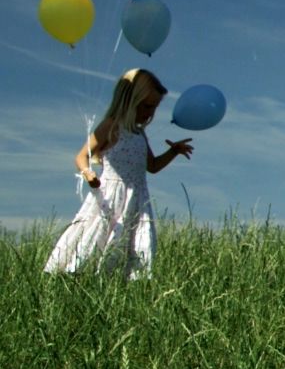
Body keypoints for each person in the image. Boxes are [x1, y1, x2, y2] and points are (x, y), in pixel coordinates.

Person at [43, 68, 194, 280]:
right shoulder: (111, 126)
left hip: (137, 199)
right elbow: (81, 156)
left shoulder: (139, 133)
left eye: (154, 108)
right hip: (110, 196)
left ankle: (122, 285)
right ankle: (81, 279)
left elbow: (152, 166)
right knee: (96, 238)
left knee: (134, 244)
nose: (150, 113)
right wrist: (88, 174)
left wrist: (173, 151)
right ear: (130, 100)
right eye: (147, 106)